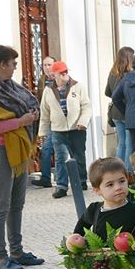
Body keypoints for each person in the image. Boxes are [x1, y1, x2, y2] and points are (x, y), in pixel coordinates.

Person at [0, 45, 45, 269]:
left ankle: (17, 250)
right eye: (13, 63)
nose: (15, 68)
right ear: (1, 64)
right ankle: (1, 257)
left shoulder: (8, 86)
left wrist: (30, 116)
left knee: (17, 203)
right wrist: (22, 121)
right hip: (1, 151)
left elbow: (26, 102)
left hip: (19, 148)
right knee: (1, 205)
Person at [39, 60, 92, 198]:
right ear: (55, 75)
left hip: (77, 128)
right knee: (60, 158)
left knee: (78, 156)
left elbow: (86, 106)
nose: (65, 74)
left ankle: (81, 181)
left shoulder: (78, 87)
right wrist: (42, 132)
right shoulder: (48, 90)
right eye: (62, 73)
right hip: (58, 130)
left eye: (66, 71)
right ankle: (61, 186)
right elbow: (44, 112)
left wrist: (83, 122)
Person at [31, 55, 64, 190]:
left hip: (60, 120)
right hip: (48, 120)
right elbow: (41, 101)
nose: (47, 68)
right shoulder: (42, 81)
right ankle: (46, 177)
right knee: (46, 148)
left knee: (59, 150)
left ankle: (66, 178)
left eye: (49, 65)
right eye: (44, 65)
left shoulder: (61, 79)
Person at [106, 47, 135, 167]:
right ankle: (127, 171)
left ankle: (118, 168)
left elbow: (107, 92)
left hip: (115, 113)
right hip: (126, 111)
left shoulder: (112, 73)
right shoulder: (129, 75)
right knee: (129, 143)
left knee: (121, 143)